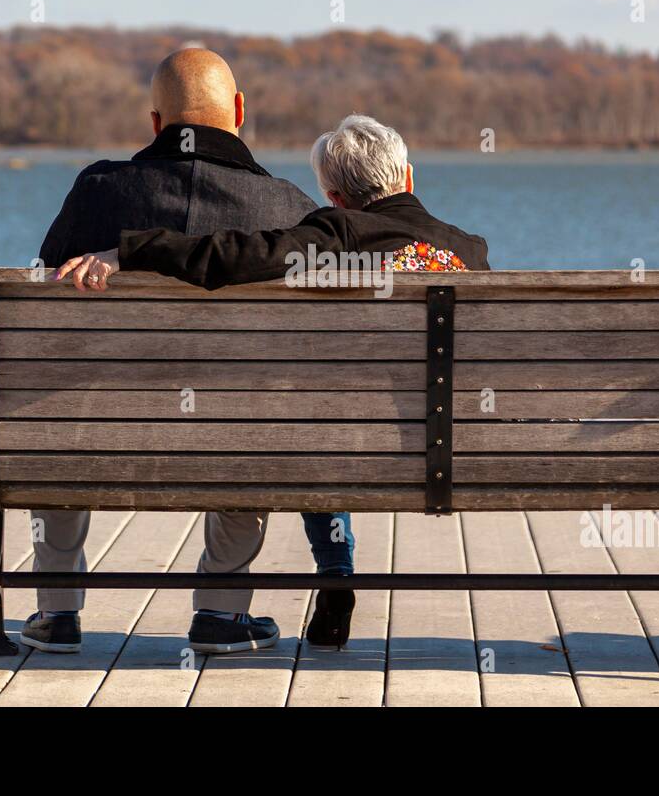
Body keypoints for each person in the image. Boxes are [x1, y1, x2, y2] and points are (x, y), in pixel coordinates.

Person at [55, 114, 491, 647]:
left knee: (321, 414)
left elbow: (229, 257)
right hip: (453, 452)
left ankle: (337, 572)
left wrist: (130, 250)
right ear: (409, 177)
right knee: (339, 410)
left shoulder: (334, 232)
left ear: (332, 195)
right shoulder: (471, 250)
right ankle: (331, 575)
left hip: (347, 444)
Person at [29, 48, 354, 656]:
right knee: (252, 415)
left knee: (59, 411)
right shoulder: (286, 209)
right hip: (229, 440)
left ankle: (57, 609)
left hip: (93, 433)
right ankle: (221, 612)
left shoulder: (97, 192)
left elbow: (45, 314)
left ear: (156, 123)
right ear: (238, 111)